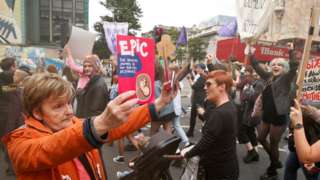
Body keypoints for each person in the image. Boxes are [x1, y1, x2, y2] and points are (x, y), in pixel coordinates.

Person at [1, 72, 175, 179]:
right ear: (37, 112)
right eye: (58, 106)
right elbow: (49, 148)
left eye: (69, 103)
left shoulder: (74, 124)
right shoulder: (19, 142)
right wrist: (100, 123)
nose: (69, 111)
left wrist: (159, 103)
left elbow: (120, 125)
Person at [248, 46, 299, 180]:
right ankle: (276, 161)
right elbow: (256, 66)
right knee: (260, 138)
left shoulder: (286, 79)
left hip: (279, 116)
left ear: (284, 68)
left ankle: (272, 171)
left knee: (274, 144)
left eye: (280, 65)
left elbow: (294, 67)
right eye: (274, 64)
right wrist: (251, 53)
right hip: (267, 114)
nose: (276, 66)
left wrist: (291, 52)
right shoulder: (269, 77)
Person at [181, 70, 239, 180]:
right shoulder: (230, 105)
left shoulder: (220, 113)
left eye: (209, 84)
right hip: (228, 168)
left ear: (222, 87)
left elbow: (205, 142)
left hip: (219, 172)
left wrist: (187, 154)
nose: (205, 88)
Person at [289, 100, 320, 180]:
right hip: (304, 138)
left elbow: (307, 157)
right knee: (290, 167)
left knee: (311, 175)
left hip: (312, 145)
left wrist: (298, 124)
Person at [0, 57, 20, 176]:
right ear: (12, 67)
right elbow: (5, 90)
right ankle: (13, 168)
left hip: (8, 117)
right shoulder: (7, 79)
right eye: (15, 65)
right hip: (8, 118)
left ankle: (12, 167)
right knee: (9, 143)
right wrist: (18, 85)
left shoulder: (6, 80)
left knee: (8, 143)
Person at [186, 63, 207, 137]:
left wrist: (189, 79)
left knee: (201, 116)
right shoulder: (201, 76)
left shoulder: (203, 77)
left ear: (202, 69)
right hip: (198, 98)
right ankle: (190, 132)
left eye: (198, 68)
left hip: (199, 99)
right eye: (196, 68)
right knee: (194, 116)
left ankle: (209, 125)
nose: (196, 69)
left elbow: (194, 86)